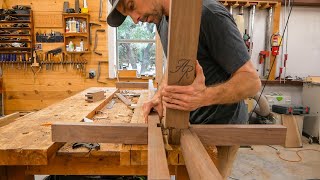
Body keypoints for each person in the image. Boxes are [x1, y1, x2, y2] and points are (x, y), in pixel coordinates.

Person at [107, 0, 261, 178]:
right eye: (128, 14)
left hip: (220, 129)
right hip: (188, 124)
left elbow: (251, 82)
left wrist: (204, 97)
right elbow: (174, 66)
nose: (135, 19)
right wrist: (159, 95)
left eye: (132, 6)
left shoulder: (207, 13)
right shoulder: (161, 21)